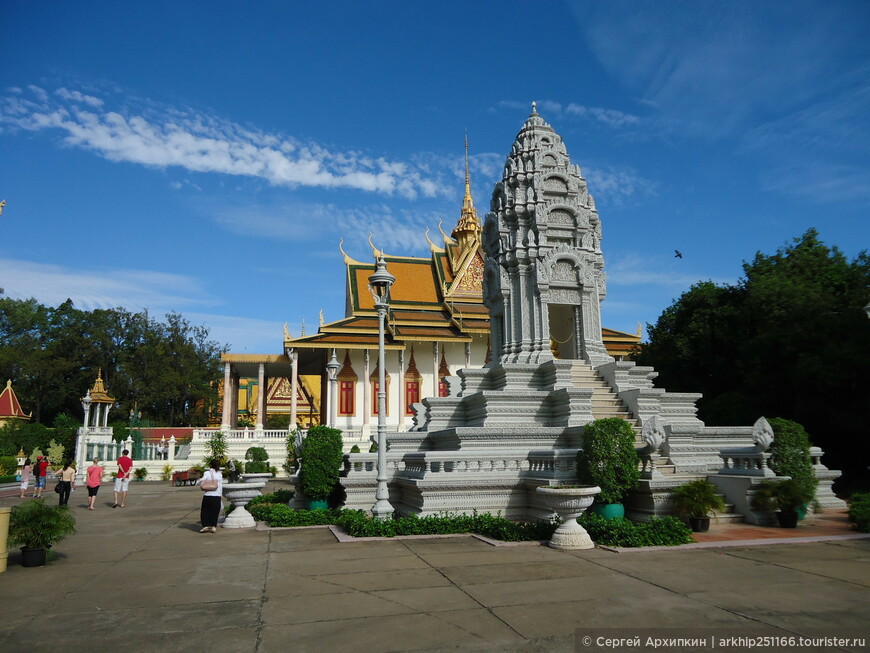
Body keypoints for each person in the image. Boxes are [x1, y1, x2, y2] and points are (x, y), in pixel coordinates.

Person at [199, 459, 223, 533]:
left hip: (207, 495)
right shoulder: (219, 474)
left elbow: (202, 481)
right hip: (216, 496)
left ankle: (206, 525)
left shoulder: (207, 473)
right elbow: (220, 486)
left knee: (205, 511)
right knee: (215, 512)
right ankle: (213, 526)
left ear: (210, 465)